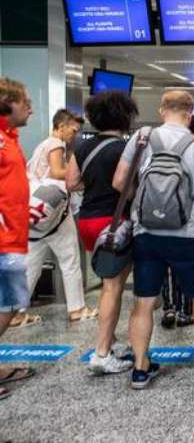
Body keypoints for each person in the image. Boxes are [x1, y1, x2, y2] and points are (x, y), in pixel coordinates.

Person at [113, 90, 194, 389]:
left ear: (162, 109)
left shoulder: (141, 138)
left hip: (145, 233)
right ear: (190, 115)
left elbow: (118, 182)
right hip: (186, 234)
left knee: (144, 302)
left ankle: (140, 367)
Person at [65, 91, 138, 374]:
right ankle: (102, 352)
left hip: (86, 222)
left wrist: (95, 186)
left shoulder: (82, 146)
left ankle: (111, 339)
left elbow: (72, 183)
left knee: (108, 285)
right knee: (113, 287)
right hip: (113, 224)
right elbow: (126, 185)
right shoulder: (124, 148)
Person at [14, 109, 97, 327]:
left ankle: (17, 312)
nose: (75, 134)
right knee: (69, 259)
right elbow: (58, 173)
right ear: (61, 126)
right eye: (73, 129)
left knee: (31, 264)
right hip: (55, 212)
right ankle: (77, 309)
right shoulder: (55, 144)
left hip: (35, 214)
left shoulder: (43, 145)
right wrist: (84, 174)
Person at [0, 78, 35, 400]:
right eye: (25, 101)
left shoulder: (10, 138)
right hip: (3, 240)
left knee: (10, 304)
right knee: (8, 304)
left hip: (14, 237)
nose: (31, 108)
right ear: (7, 102)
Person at [159, 114, 194, 330]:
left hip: (159, 218)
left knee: (165, 267)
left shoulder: (158, 146)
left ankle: (169, 307)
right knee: (187, 268)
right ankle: (184, 311)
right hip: (191, 221)